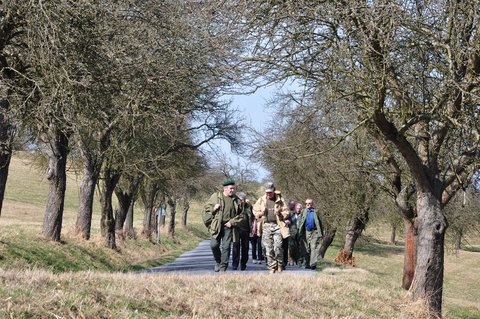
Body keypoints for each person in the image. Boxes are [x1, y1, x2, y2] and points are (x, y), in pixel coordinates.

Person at [203, 180, 244, 272]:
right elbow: (207, 207)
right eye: (231, 188)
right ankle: (218, 261)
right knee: (214, 245)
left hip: (228, 227)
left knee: (226, 247)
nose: (232, 190)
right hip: (216, 225)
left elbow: (241, 215)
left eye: (234, 188)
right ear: (225, 188)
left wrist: (232, 222)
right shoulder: (216, 196)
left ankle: (223, 267)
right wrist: (214, 208)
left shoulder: (237, 200)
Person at [253, 182, 289, 273]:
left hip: (277, 225)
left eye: (270, 192)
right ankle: (271, 267)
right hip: (266, 225)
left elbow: (287, 212)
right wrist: (261, 213)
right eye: (267, 192)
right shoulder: (261, 200)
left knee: (277, 247)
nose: (268, 194)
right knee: (268, 248)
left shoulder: (280, 200)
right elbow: (255, 211)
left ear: (274, 191)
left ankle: (279, 264)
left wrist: (279, 213)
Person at [299, 198, 324, 270]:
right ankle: (307, 263)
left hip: (314, 232)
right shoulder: (303, 211)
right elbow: (300, 222)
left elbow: (320, 223)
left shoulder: (316, 212)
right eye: (306, 203)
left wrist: (321, 233)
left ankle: (313, 264)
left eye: (309, 203)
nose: (307, 205)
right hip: (306, 232)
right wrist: (299, 232)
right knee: (307, 248)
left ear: (312, 204)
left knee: (313, 247)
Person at [231, 192, 252, 270]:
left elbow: (251, 216)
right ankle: (235, 264)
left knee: (245, 248)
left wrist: (252, 228)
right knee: (236, 246)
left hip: (246, 229)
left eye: (243, 199)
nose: (241, 200)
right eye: (240, 199)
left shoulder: (248, 206)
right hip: (236, 228)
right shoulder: (235, 205)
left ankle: (243, 264)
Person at [288, 202, 305, 266]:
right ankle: (291, 259)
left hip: (300, 233)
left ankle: (299, 261)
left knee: (300, 248)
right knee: (292, 247)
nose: (298, 210)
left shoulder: (303, 215)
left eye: (299, 208)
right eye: (297, 208)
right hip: (292, 233)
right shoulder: (291, 214)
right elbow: (287, 220)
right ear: (295, 209)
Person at [249, 199, 264, 265]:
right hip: (252, 233)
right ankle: (254, 258)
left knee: (260, 246)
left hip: (259, 232)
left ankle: (260, 258)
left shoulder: (261, 217)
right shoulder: (251, 218)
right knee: (253, 246)